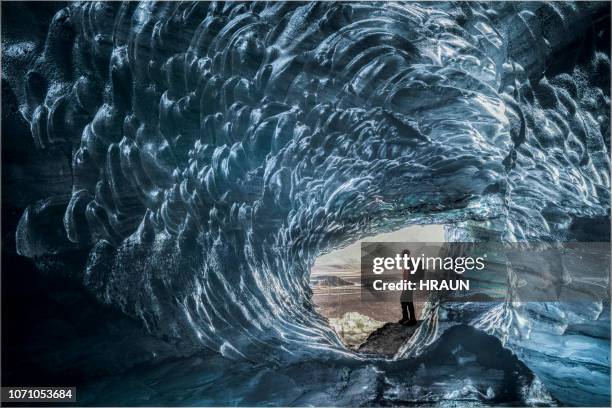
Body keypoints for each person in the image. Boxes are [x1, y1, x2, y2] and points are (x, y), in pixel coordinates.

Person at [399, 249, 421, 326]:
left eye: (402, 254)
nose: (401, 256)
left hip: (409, 284)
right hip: (410, 284)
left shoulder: (408, 262)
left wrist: (405, 286)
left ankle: (412, 319)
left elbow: (407, 275)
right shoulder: (409, 261)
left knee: (407, 301)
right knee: (405, 300)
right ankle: (406, 318)